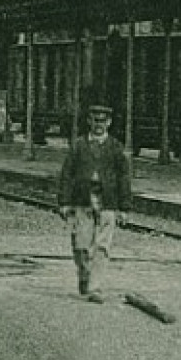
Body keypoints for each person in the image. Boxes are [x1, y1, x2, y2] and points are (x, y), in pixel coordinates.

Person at [56, 103, 132, 303]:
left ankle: (95, 287)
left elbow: (124, 178)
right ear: (89, 121)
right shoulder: (79, 145)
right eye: (95, 120)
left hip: (107, 202)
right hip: (82, 201)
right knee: (81, 245)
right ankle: (84, 275)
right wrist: (64, 202)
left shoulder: (116, 148)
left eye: (103, 121)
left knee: (102, 246)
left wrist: (124, 208)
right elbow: (67, 175)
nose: (99, 125)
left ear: (109, 123)